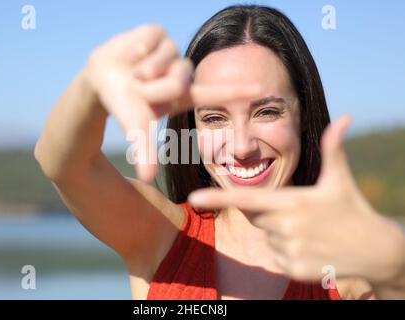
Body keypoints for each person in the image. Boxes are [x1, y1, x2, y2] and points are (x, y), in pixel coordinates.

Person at [34, 5, 405, 299]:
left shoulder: (351, 269)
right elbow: (62, 164)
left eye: (267, 111)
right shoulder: (162, 235)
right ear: (192, 129)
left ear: (303, 117)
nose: (241, 146)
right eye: (214, 118)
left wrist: (395, 267)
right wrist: (92, 83)